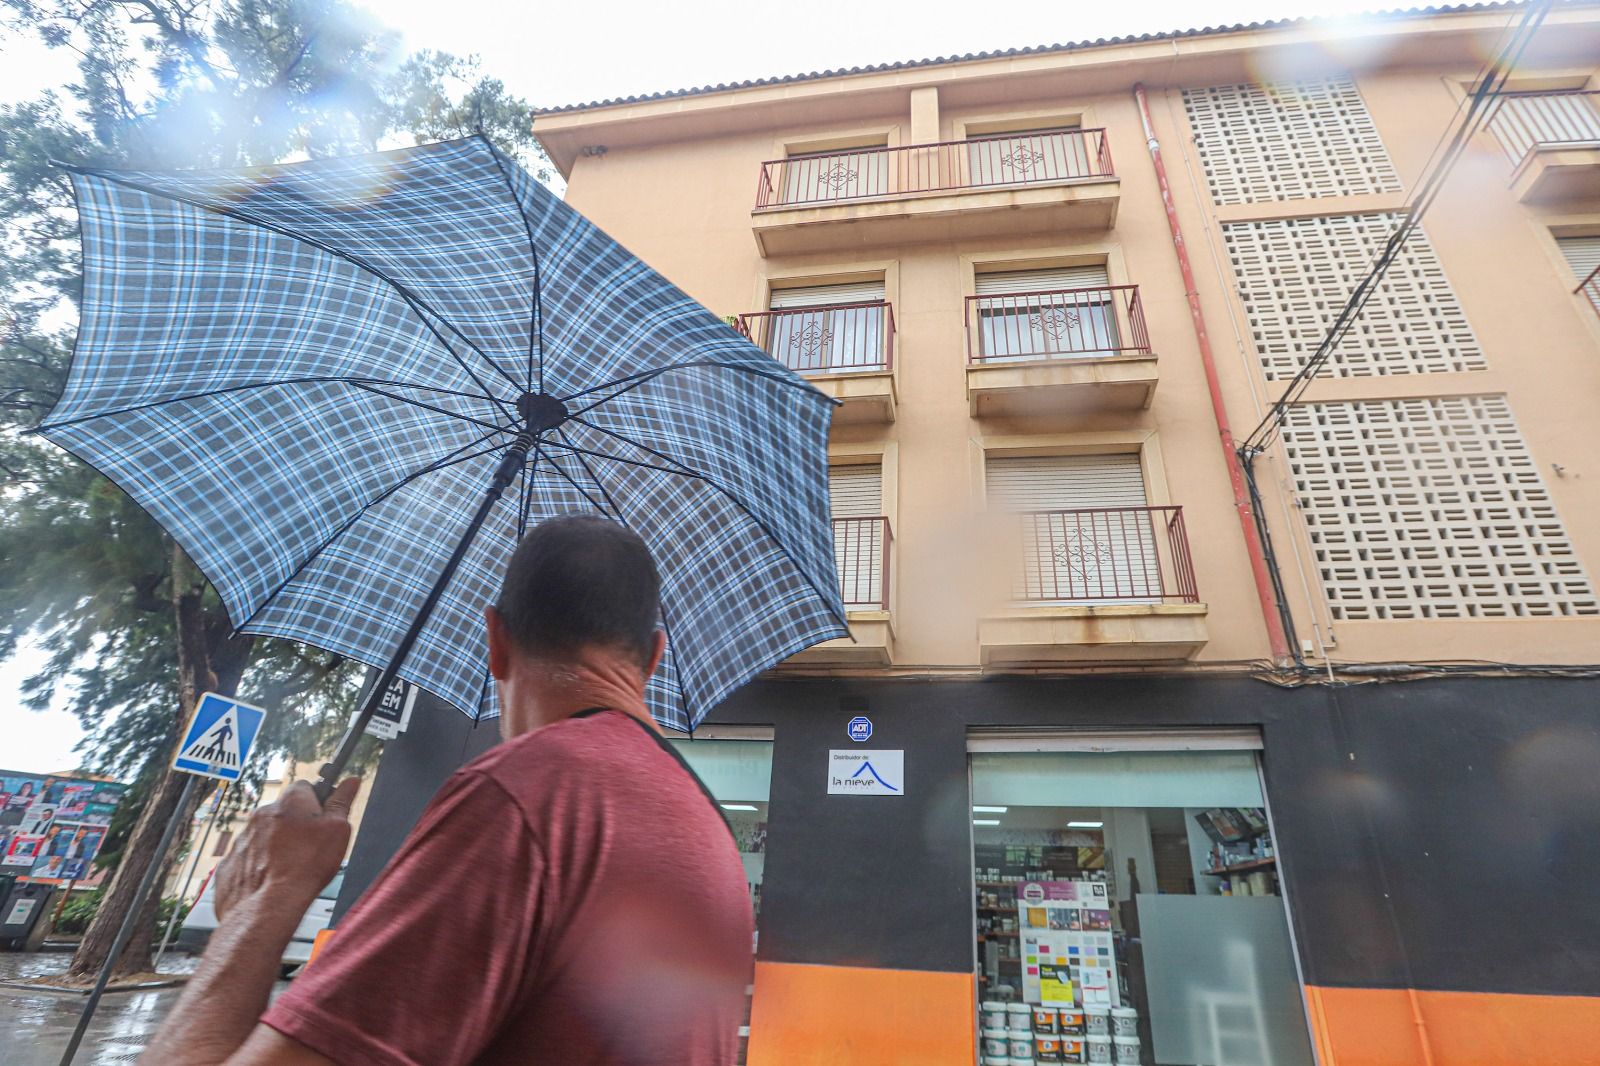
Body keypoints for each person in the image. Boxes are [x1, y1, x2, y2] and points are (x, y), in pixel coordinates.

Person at [141, 515, 754, 1066]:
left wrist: (260, 906)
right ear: (653, 655)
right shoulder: (711, 832)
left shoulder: (522, 796)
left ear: (494, 639)